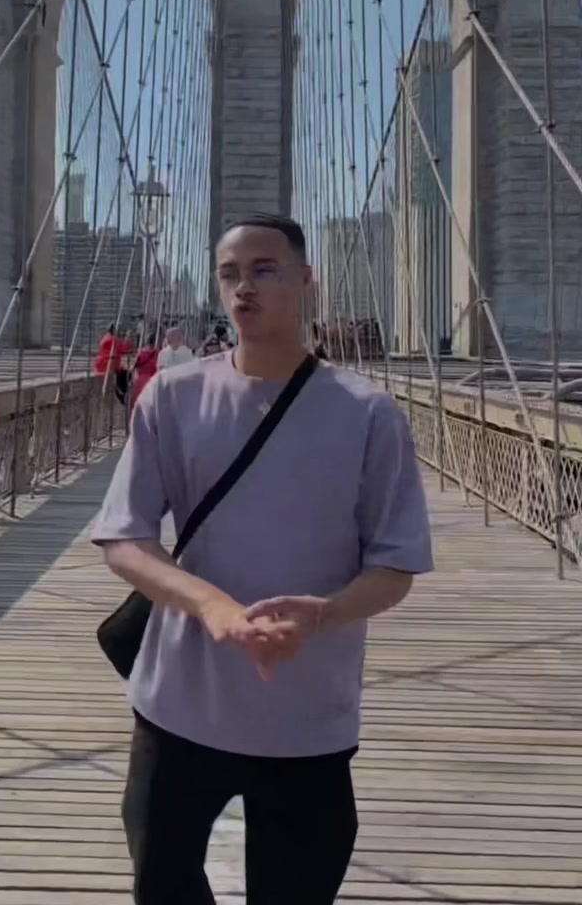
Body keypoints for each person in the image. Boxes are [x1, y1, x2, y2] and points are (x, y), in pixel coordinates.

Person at [92, 212, 433, 905]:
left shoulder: (369, 414)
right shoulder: (172, 397)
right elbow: (124, 538)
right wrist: (212, 607)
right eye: (229, 274)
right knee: (161, 886)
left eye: (265, 270)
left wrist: (324, 614)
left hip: (307, 715)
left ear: (307, 281)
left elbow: (395, 566)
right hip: (179, 702)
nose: (244, 287)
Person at [129, 332, 159, 413]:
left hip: (138, 381)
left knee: (136, 407)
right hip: (149, 382)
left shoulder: (140, 352)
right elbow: (157, 369)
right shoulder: (156, 354)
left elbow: (133, 367)